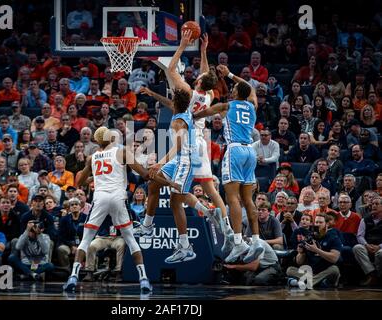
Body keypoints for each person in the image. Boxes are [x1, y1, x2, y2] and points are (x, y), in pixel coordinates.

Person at [140, 31, 233, 250]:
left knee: (176, 194)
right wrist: (203, 50)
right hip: (202, 139)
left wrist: (182, 45)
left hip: (188, 141)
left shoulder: (187, 93)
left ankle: (185, 232)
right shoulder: (209, 95)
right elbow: (206, 75)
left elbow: (171, 70)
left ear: (199, 82)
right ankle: (226, 225)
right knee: (210, 189)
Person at [64, 126, 173, 293]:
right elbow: (144, 175)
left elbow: (80, 181)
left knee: (86, 240)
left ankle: (73, 276)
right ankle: (143, 279)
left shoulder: (92, 157)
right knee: (130, 239)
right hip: (117, 197)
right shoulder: (122, 152)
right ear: (112, 138)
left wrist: (95, 177)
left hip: (100, 198)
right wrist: (169, 183)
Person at [193, 62, 263, 264]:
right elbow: (249, 89)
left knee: (232, 198)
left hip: (234, 151)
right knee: (248, 199)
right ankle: (256, 240)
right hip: (250, 150)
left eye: (232, 89)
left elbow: (202, 114)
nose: (230, 90)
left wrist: (192, 114)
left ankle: (239, 242)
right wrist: (231, 74)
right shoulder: (252, 105)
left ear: (235, 94)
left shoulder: (227, 106)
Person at [286, 213, 342, 288]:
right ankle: (317, 282)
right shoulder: (309, 238)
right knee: (290, 270)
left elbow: (334, 259)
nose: (318, 224)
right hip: (312, 272)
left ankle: (300, 283)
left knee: (335, 270)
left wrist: (317, 250)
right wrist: (301, 253)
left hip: (325, 271)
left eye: (321, 222)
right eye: (316, 222)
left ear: (327, 224)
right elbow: (299, 262)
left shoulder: (333, 238)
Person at [353, 195, 382, 286]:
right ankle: (372, 274)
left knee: (381, 253)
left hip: (380, 246)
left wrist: (379, 246)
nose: (373, 206)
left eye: (377, 204)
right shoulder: (364, 219)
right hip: (368, 245)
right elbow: (359, 236)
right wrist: (366, 245)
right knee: (357, 247)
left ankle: (379, 275)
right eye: (372, 204)